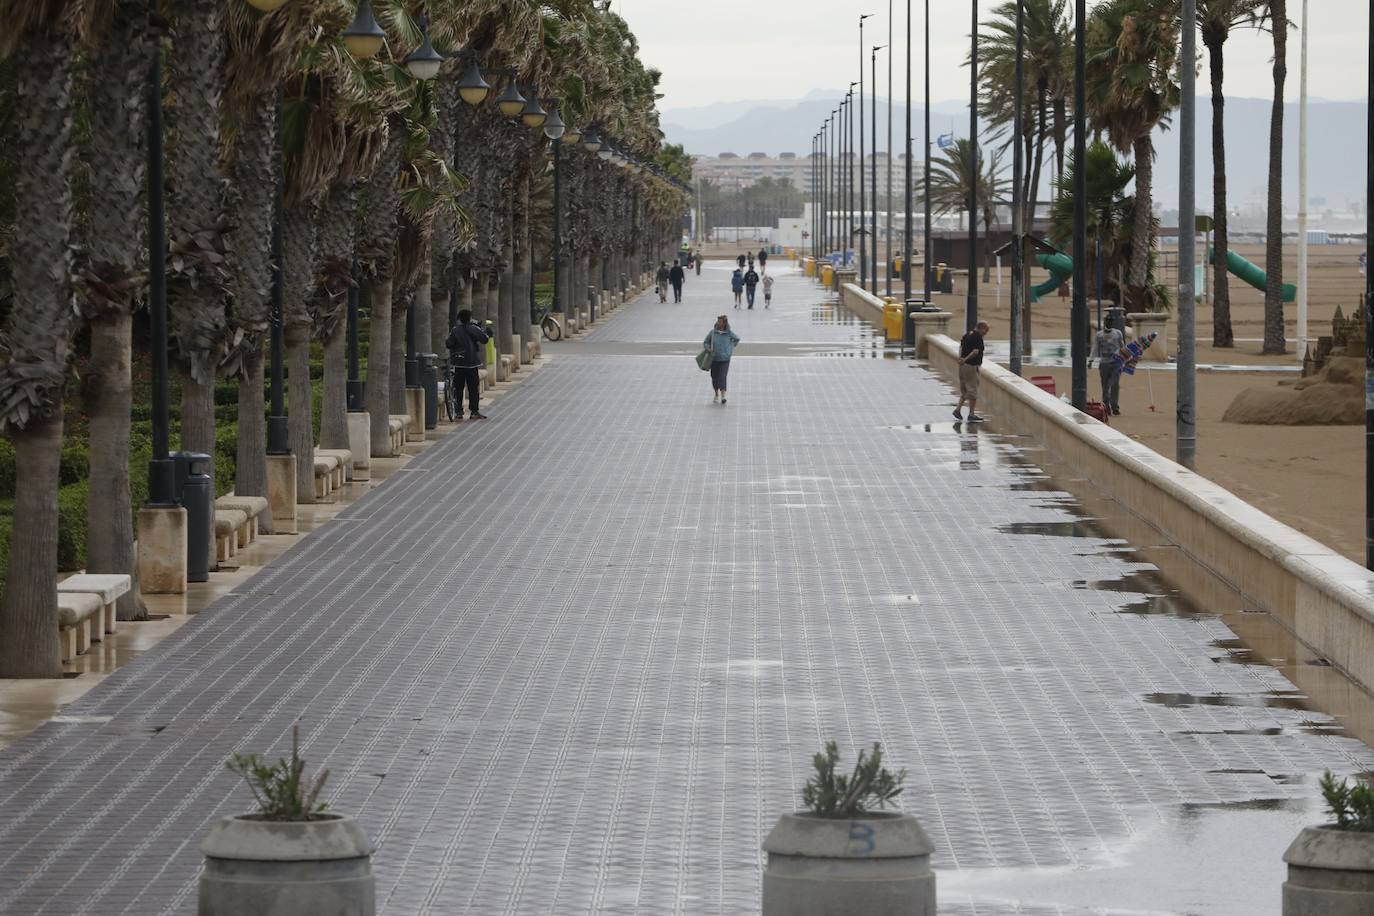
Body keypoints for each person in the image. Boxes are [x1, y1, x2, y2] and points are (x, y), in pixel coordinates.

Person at [445, 308, 490, 420]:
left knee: (458, 387)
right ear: (469, 318)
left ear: (459, 319)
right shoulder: (474, 328)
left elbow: (449, 344)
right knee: (473, 388)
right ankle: (474, 411)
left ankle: (459, 411)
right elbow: (484, 339)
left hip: (458, 363)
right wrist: (481, 329)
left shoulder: (455, 330)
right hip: (471, 363)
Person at [953, 320, 989, 423]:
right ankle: (971, 414)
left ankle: (958, 410)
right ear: (981, 328)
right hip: (971, 366)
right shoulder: (977, 337)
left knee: (965, 389)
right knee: (973, 391)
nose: (986, 333)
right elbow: (975, 351)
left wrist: (960, 358)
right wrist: (965, 359)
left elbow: (961, 347)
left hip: (963, 366)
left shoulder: (967, 334)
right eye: (986, 331)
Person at [704, 315, 741, 404]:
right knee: (714, 377)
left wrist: (730, 349)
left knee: (722, 376)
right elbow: (706, 342)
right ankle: (716, 394)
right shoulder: (712, 332)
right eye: (718, 321)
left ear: (724, 323)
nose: (718, 323)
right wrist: (708, 348)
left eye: (720, 321)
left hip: (725, 359)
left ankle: (723, 396)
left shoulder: (729, 333)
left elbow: (737, 339)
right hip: (714, 358)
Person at [1092, 322, 1126, 416]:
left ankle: (1115, 406)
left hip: (1116, 361)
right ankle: (1106, 405)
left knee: (1115, 384)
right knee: (1105, 385)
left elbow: (1122, 346)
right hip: (1104, 362)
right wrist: (1091, 359)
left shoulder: (1118, 333)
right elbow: (1095, 347)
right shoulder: (1099, 335)